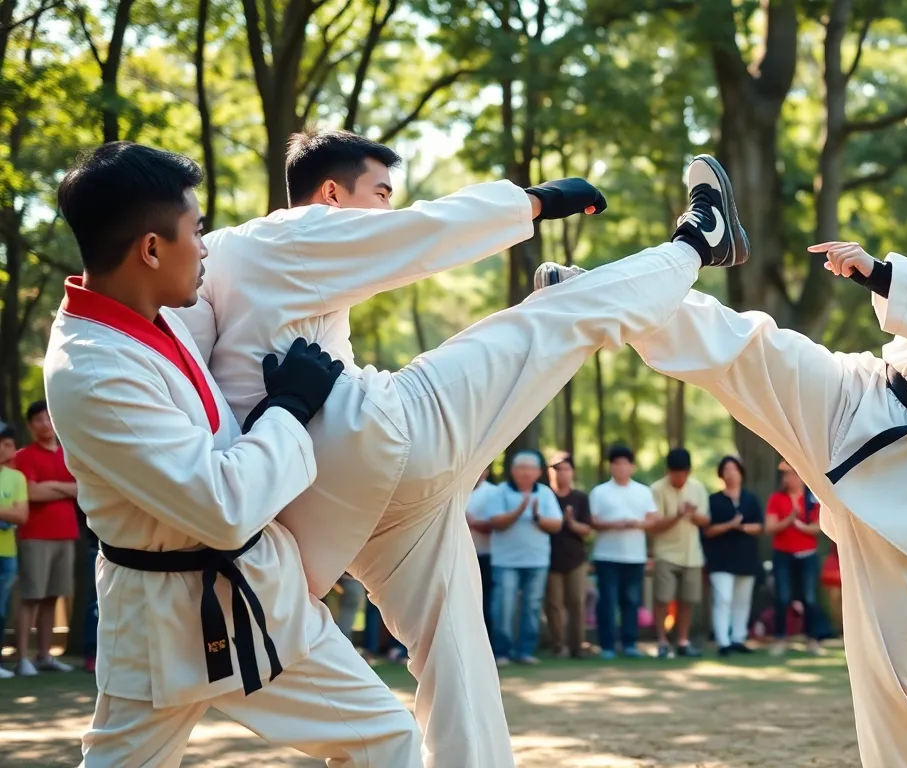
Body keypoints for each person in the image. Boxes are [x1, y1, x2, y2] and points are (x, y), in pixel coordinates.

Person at [175, 128, 748, 766]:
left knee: (457, 652)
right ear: (331, 193)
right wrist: (533, 202)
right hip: (367, 443)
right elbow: (420, 235)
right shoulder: (297, 230)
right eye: (381, 192)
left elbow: (190, 379)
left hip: (304, 504)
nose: (389, 208)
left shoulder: (210, 260)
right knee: (553, 322)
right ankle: (699, 241)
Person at [534, 163, 907, 767]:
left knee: (896, 679)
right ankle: (602, 291)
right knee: (750, 346)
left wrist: (887, 274)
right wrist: (898, 281)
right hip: (864, 397)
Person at [46, 142, 419, 766]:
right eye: (196, 230)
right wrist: (288, 408)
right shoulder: (94, 368)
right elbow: (220, 504)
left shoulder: (155, 319)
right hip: (160, 616)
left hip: (257, 597)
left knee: (387, 738)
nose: (207, 245)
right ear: (152, 248)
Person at [10, 400, 79, 676]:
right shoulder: (25, 456)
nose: (45, 424)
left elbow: (81, 489)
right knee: (32, 596)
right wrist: (65, 489)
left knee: (53, 596)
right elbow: (32, 493)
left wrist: (51, 486)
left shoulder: (68, 454)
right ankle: (23, 658)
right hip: (34, 535)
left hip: (66, 533)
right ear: (30, 425)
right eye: (38, 420)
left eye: (48, 418)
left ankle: (45, 656)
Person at [487, 451, 563, 666]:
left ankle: (525, 651)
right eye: (521, 468)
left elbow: (556, 524)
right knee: (504, 606)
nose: (526, 472)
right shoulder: (500, 492)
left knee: (532, 607)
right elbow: (496, 522)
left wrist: (538, 517)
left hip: (537, 560)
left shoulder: (545, 493)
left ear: (539, 472)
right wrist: (518, 511)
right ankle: (501, 652)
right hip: (505, 561)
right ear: (513, 470)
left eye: (531, 468)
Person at [588, 445, 657, 659]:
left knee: (631, 601)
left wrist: (637, 523)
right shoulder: (600, 492)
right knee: (607, 600)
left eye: (625, 463)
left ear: (632, 467)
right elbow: (594, 520)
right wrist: (614, 524)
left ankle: (630, 643)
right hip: (606, 555)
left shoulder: (643, 491)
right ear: (611, 466)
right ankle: (607, 645)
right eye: (616, 463)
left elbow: (653, 518)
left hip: (634, 556)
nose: (621, 467)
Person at [648, 448, 711, 658]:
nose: (679, 477)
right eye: (674, 473)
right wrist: (677, 514)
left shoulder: (698, 488)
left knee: (688, 599)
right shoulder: (656, 490)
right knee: (662, 598)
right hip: (665, 553)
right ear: (668, 471)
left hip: (692, 553)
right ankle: (662, 641)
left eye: (683, 473)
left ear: (689, 471)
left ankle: (683, 641)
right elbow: (654, 525)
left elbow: (706, 521)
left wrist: (692, 514)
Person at [703, 456, 764, 656]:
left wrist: (744, 527)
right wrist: (730, 525)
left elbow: (760, 526)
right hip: (720, 560)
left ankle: (738, 638)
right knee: (723, 598)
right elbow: (708, 530)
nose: (731, 473)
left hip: (746, 559)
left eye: (734, 469)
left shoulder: (750, 499)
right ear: (721, 474)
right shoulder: (713, 500)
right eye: (726, 469)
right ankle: (723, 640)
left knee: (742, 601)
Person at [764, 461, 825, 657]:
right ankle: (780, 638)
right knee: (782, 597)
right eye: (785, 475)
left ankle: (812, 639)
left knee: (809, 598)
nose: (788, 478)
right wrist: (789, 520)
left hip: (807, 555)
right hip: (783, 554)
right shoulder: (776, 499)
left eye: (792, 474)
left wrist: (801, 527)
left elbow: (819, 526)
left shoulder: (811, 499)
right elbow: (769, 527)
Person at [547, 454, 592, 658]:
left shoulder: (581, 498)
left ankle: (578, 645)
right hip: (550, 559)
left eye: (565, 468)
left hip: (576, 559)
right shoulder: (545, 496)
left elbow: (588, 529)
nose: (561, 473)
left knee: (577, 601)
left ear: (572, 472)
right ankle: (559, 645)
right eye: (556, 469)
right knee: (554, 604)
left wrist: (572, 524)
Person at [0, 421, 27, 679]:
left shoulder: (16, 478)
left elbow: (21, 515)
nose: (11, 449)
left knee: (1, 609)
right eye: (6, 444)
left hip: (6, 554)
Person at [466, 467, 497, 642]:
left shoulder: (494, 493)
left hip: (486, 555)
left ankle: (486, 641)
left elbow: (496, 524)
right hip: (460, 556)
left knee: (485, 601)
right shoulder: (456, 489)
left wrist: (473, 523)